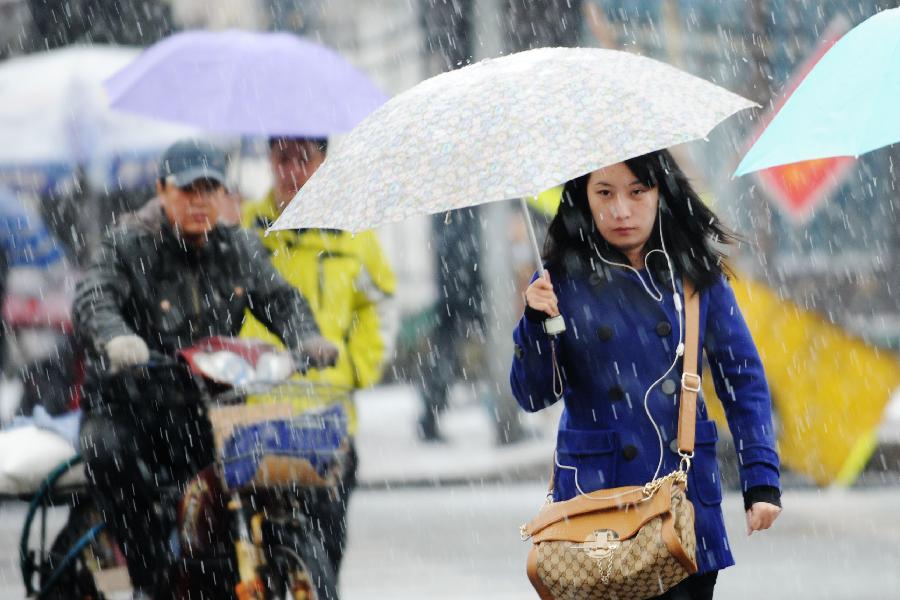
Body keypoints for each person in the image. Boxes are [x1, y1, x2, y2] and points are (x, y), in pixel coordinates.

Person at [510, 150, 782, 600]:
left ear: (660, 192)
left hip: (684, 502)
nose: (620, 209)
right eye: (605, 192)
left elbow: (742, 378)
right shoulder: (559, 283)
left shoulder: (695, 274)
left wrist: (761, 479)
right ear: (584, 197)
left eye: (637, 191)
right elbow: (533, 395)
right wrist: (537, 324)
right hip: (597, 501)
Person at [73, 139, 337, 599]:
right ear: (161, 190)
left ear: (224, 192)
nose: (200, 200)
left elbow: (281, 298)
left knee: (274, 476)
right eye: (187, 189)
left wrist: (306, 338)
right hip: (134, 407)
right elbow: (95, 296)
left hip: (208, 407)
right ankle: (147, 575)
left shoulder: (238, 246)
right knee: (108, 451)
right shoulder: (128, 243)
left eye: (210, 187)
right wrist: (118, 339)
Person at [240, 136, 397, 576]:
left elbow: (379, 306)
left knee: (324, 557)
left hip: (327, 422)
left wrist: (356, 368)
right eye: (282, 158)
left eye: (303, 159)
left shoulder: (352, 231)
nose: (292, 170)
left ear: (323, 162)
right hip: (254, 419)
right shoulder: (244, 228)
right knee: (253, 558)